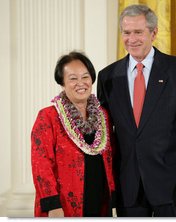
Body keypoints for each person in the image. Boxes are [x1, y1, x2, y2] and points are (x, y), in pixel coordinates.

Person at [97, 4, 176, 217]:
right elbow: (105, 134)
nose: (132, 39)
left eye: (138, 32)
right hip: (128, 184)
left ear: (153, 33)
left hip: (172, 184)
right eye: (126, 33)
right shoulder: (107, 76)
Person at [31, 51, 115, 217]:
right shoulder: (48, 116)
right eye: (73, 78)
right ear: (62, 82)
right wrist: (52, 204)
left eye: (85, 77)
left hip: (99, 201)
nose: (81, 83)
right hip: (64, 205)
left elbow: (111, 156)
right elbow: (41, 164)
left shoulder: (103, 115)